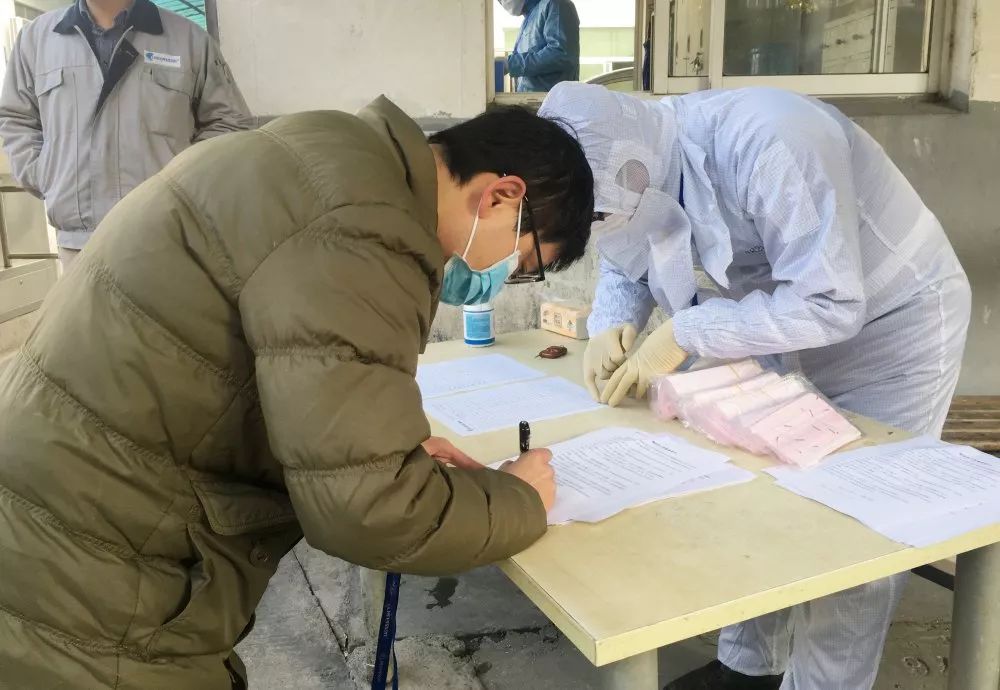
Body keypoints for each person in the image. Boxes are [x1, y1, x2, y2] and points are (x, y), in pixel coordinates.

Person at [0, 96, 594, 687]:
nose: (502, 280)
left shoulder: (331, 156)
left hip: (59, 509)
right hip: (93, 578)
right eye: (522, 263)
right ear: (501, 196)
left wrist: (383, 452)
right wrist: (518, 498)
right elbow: (368, 510)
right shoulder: (363, 232)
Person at [539, 82, 970, 690]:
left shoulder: (772, 140)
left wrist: (684, 333)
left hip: (889, 328)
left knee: (856, 532)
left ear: (630, 170)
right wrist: (612, 321)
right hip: (773, 323)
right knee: (764, 495)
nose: (601, 223)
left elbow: (831, 302)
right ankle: (747, 670)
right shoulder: (636, 171)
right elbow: (628, 245)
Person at [0, 0, 253, 270]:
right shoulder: (36, 40)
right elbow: (16, 118)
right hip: (78, 245)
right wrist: (45, 175)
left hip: (167, 241)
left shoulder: (189, 40)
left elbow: (231, 123)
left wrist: (186, 185)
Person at [500, 0, 580, 92]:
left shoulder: (557, 4)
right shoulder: (530, 17)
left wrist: (511, 64)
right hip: (532, 99)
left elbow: (561, 54)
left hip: (554, 98)